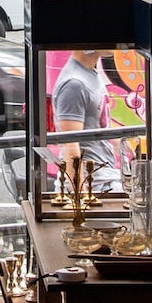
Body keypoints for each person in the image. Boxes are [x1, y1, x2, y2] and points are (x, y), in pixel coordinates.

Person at [49, 47, 125, 196]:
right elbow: (70, 145)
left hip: (102, 180)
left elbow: (99, 124)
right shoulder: (74, 84)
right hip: (94, 186)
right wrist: (81, 197)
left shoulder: (90, 73)